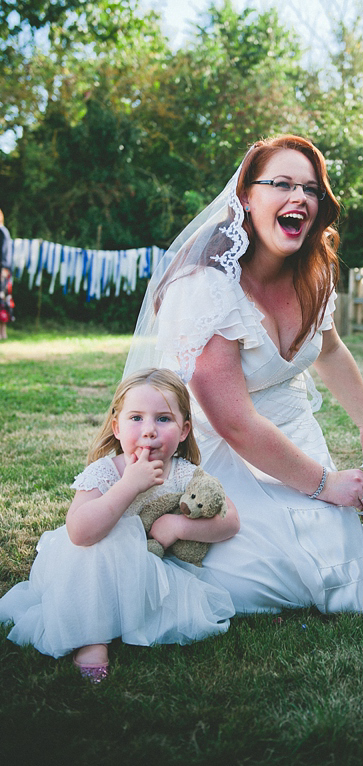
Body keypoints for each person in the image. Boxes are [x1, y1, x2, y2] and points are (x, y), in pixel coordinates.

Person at [124, 135, 363, 616]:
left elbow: (328, 348)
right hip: (227, 454)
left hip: (297, 437)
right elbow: (234, 421)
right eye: (282, 184)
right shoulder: (207, 285)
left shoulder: (315, 272)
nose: (300, 198)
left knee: (342, 554)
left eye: (310, 189)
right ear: (246, 196)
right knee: (266, 573)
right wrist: (325, 484)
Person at [0, 369, 239, 682]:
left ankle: (121, 622)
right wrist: (129, 486)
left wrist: (180, 527)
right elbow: (80, 532)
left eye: (163, 419)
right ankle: (90, 640)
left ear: (184, 430)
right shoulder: (106, 472)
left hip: (151, 573)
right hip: (91, 567)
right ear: (116, 427)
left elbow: (230, 521)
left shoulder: (185, 473)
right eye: (136, 418)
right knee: (102, 543)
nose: (149, 430)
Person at [0, 208, 14, 340]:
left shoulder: (3, 232)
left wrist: (4, 269)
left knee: (2, 301)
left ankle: (3, 333)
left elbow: (5, 253)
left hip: (2, 272)